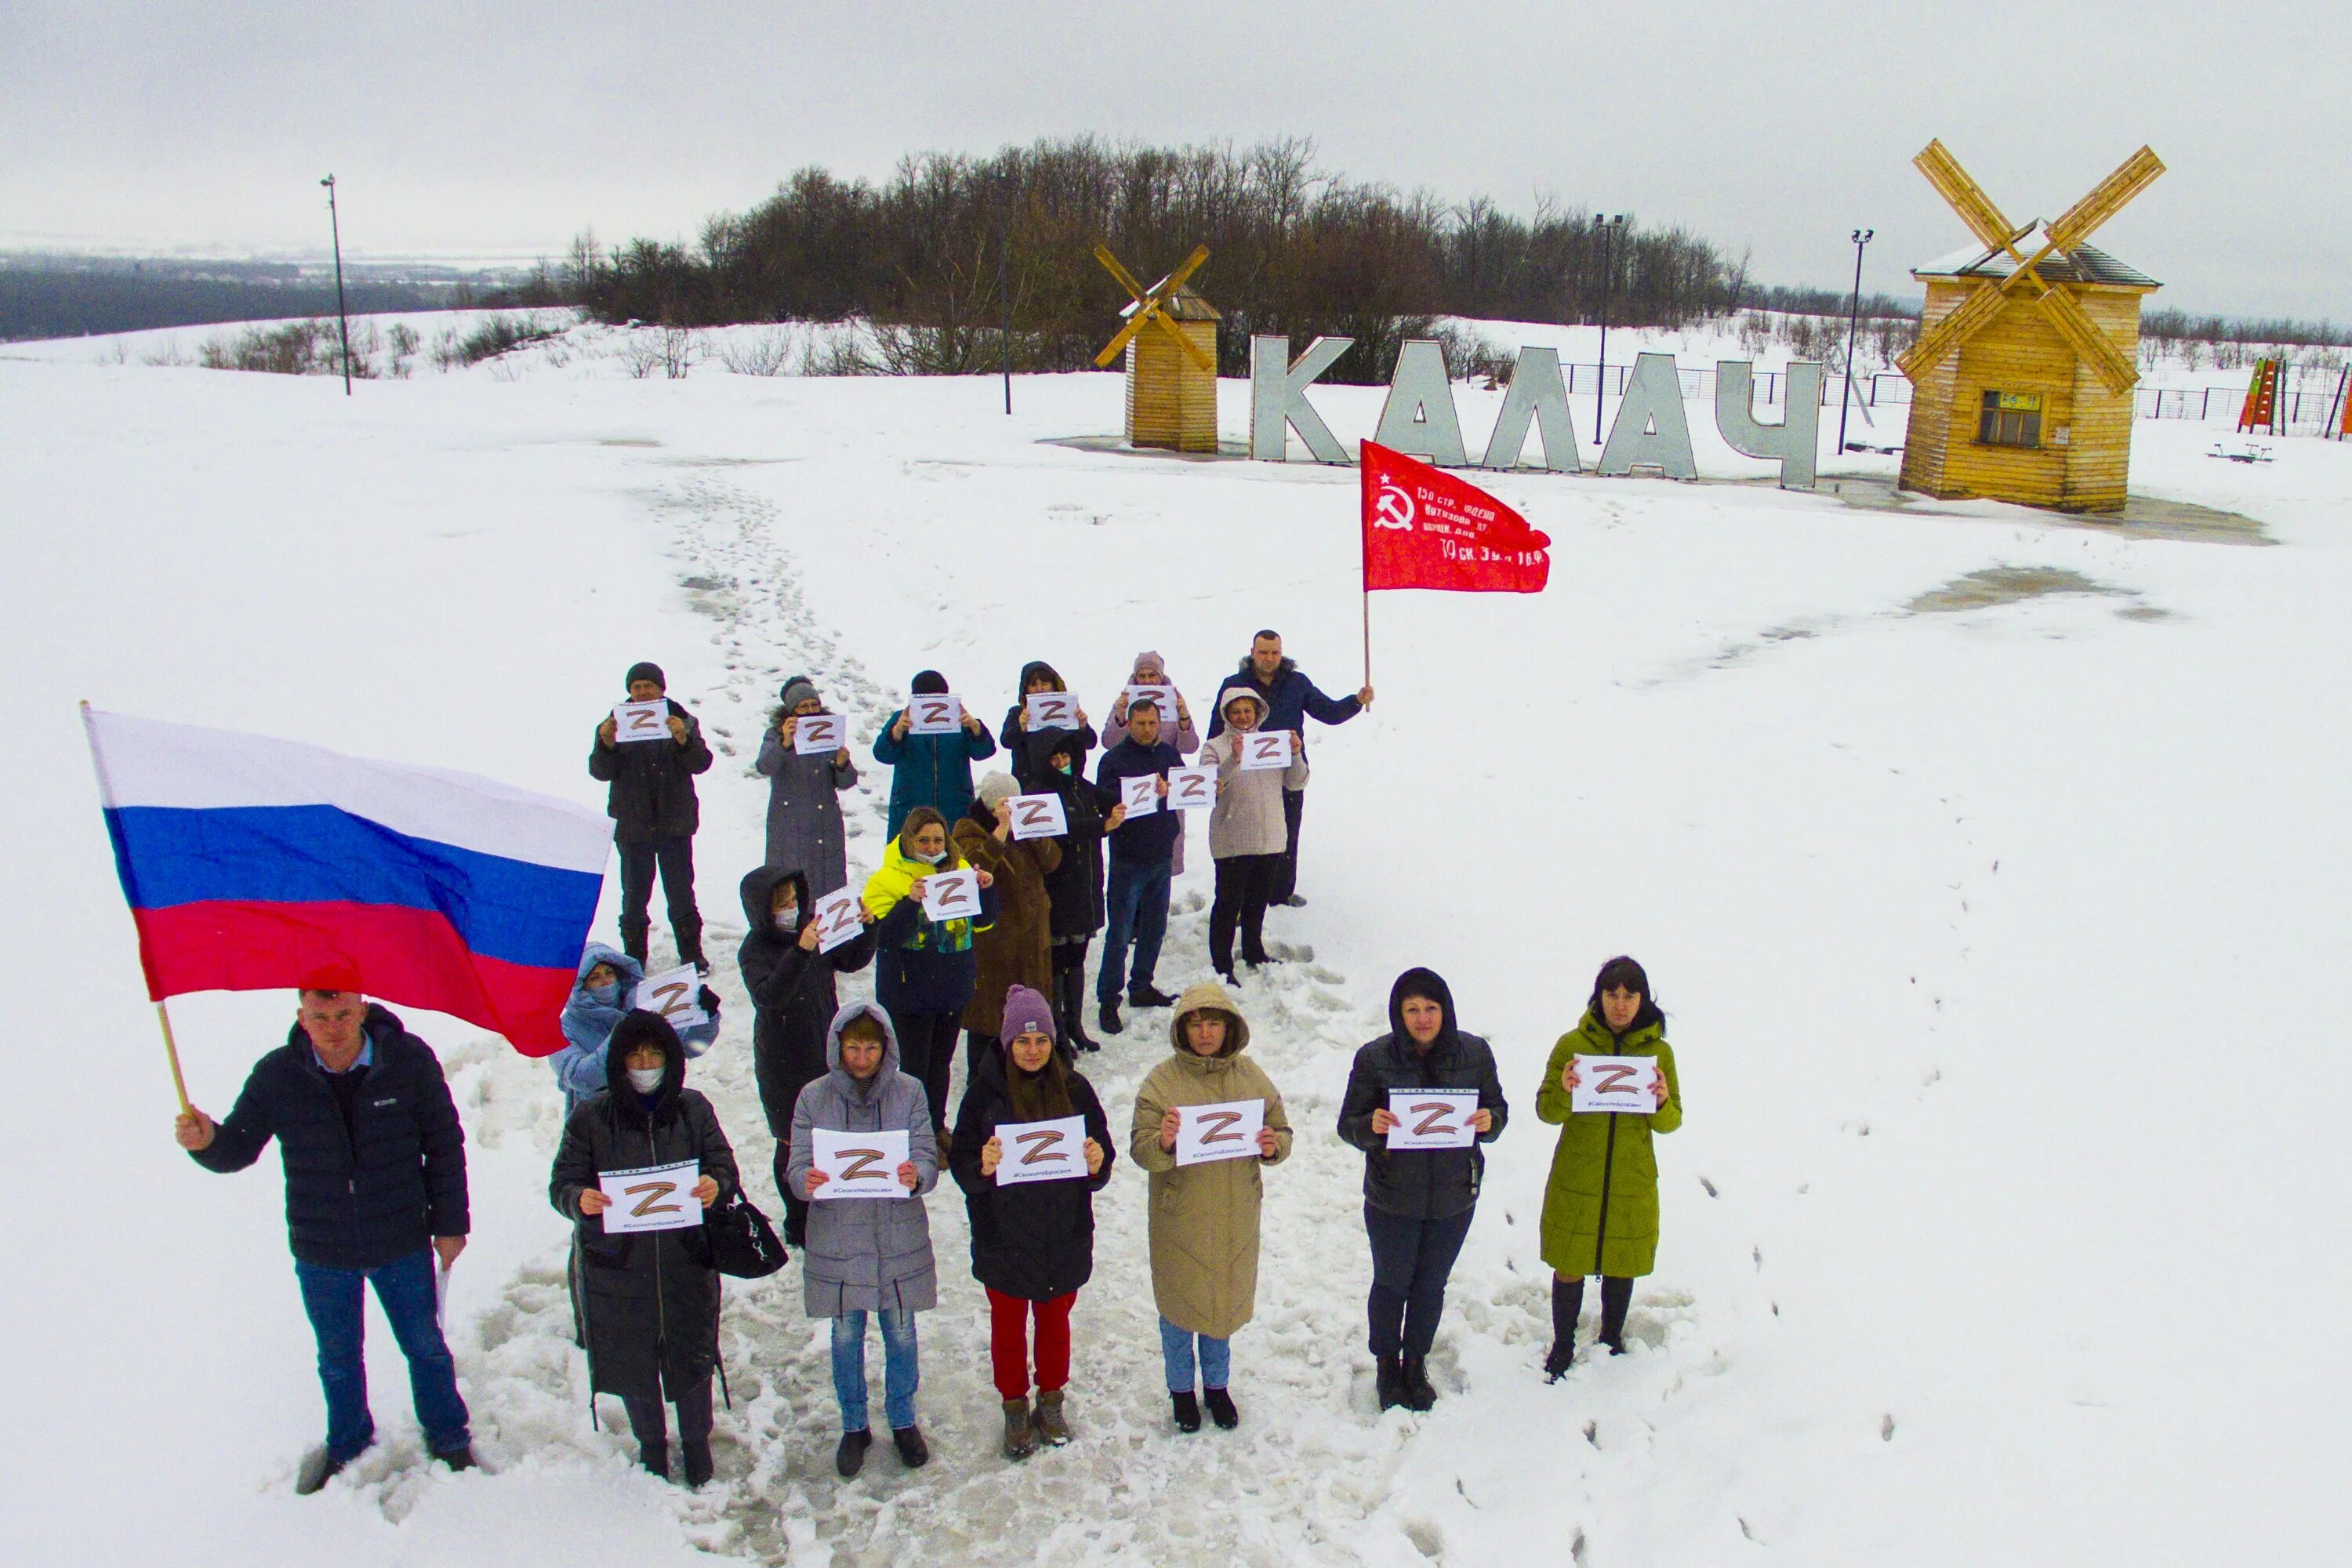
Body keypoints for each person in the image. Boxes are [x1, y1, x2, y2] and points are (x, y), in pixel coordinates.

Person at [174, 980, 475, 1493]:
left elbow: (444, 1143)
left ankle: (449, 1437)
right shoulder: (278, 1076)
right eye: (320, 1016)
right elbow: (239, 1147)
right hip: (322, 1249)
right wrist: (207, 1141)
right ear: (301, 1016)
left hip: (400, 1238)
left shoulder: (407, 1060)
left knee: (425, 1346)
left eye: (341, 1014)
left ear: (362, 1008)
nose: (332, 1029)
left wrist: (450, 1224)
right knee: (337, 1357)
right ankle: (349, 1443)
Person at [550, 1011, 739, 1487]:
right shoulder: (591, 1115)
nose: (645, 1063)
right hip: (617, 1265)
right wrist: (579, 1200)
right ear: (619, 1061)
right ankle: (651, 1443)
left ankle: (696, 1441)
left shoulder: (694, 1109)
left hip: (685, 1258)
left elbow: (722, 1163)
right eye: (635, 1054)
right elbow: (563, 1182)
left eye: (654, 1053)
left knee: (692, 1355)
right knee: (634, 1359)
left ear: (671, 1059)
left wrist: (715, 1184)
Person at [949, 985, 1116, 1460]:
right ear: (1006, 1043)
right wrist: (981, 1165)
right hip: (1003, 1235)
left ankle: (1052, 1397)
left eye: (1041, 1040)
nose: (1033, 1050)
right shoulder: (983, 1095)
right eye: (1022, 1042)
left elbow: (1102, 1155)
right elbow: (962, 1161)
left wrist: (1096, 1160)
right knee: (1007, 1327)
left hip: (1063, 1232)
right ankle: (1014, 1405)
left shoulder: (1076, 1089)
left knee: (1055, 1324)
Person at [1336, 968, 1508, 1413]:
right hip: (1393, 1196)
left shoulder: (1474, 1052)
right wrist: (1369, 1127)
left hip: (1454, 1195)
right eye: (1412, 1009)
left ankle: (1416, 1363)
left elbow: (1497, 1111)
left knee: (1431, 1286)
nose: (1423, 1018)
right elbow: (1348, 1125)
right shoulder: (1375, 1058)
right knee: (1392, 1284)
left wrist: (1490, 1121)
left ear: (1445, 1010)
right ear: (1398, 1013)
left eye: (1431, 1008)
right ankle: (1386, 1366)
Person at [1128, 982, 1292, 1432]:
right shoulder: (1162, 1082)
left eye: (1213, 1023)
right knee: (1180, 1307)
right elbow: (1141, 1148)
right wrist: (1162, 1140)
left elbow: (1281, 1128)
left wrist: (1272, 1145)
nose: (1205, 1033)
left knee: (1222, 1303)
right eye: (1196, 1024)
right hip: (1179, 1216)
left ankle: (1217, 1388)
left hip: (1236, 1211)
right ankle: (1181, 1391)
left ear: (1228, 1027)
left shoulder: (1251, 1077)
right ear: (1182, 1029)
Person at [787, 1003, 942, 1477]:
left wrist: (917, 1174)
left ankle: (901, 1418)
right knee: (846, 1334)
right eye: (852, 1047)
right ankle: (854, 1424)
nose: (861, 1057)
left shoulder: (910, 1092)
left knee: (900, 1332)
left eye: (871, 1047)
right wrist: (804, 1181)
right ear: (838, 1047)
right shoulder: (813, 1098)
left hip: (897, 1234)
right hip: (838, 1236)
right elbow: (795, 1165)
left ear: (885, 1047)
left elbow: (928, 1157)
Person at [1537, 956, 1682, 1377]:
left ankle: (1612, 1338)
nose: (1620, 1005)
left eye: (1629, 996)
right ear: (1599, 997)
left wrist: (1661, 1100)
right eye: (1612, 995)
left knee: (1622, 1259)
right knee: (1569, 1262)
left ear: (1643, 999)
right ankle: (1563, 1343)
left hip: (1630, 1179)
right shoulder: (1571, 1046)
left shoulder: (1659, 1052)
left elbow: (1671, 1122)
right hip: (1577, 1176)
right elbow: (1546, 1110)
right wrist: (1563, 1090)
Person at [739, 864, 878, 1247]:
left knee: (832, 1132)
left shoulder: (815, 929)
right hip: (782, 1063)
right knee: (791, 1142)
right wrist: (800, 951)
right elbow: (770, 996)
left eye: (793, 900)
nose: (790, 908)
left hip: (825, 1051)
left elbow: (850, 960)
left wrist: (868, 927)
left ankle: (834, 1204)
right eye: (780, 903)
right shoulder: (753, 950)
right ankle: (798, 1220)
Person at [1205, 630, 1374, 909]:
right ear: (1252, 652)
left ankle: (1280, 893)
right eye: (1263, 652)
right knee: (1240, 837)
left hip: (1287, 773)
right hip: (1242, 775)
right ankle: (1238, 900)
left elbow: (1328, 712)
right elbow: (1216, 729)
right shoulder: (1234, 684)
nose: (1269, 658)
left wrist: (1356, 701)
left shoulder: (1297, 682)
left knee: (1285, 833)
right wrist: (1217, 767)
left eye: (1275, 652)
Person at [863, 805, 999, 1143]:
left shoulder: (960, 868)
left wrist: (985, 888)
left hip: (952, 988)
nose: (932, 847)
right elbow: (881, 937)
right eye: (923, 840)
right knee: (912, 1070)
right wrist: (910, 902)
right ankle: (911, 1133)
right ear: (908, 840)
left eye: (938, 840)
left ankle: (936, 1128)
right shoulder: (886, 878)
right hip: (909, 991)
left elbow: (984, 923)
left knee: (940, 1065)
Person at [590, 661, 717, 970]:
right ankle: (635, 959)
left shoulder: (683, 720)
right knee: (634, 895)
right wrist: (606, 745)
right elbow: (599, 771)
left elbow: (702, 763)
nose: (643, 692)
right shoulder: (614, 723)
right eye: (636, 687)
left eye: (649, 686)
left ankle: (692, 954)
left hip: (675, 823)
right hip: (633, 826)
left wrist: (683, 740)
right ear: (629, 691)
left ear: (662, 688)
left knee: (681, 891)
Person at [1017, 724, 1125, 1052]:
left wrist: (1152, 790)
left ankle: (1074, 1022)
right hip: (1057, 890)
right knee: (1056, 962)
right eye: (1055, 756)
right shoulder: (1037, 792)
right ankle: (1057, 1032)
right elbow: (1060, 829)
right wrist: (1100, 825)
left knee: (1077, 958)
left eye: (1066, 754)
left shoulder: (1080, 786)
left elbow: (1113, 799)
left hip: (1084, 886)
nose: (1062, 761)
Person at [1196, 688, 1308, 981]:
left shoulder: (1273, 743)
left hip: (1269, 837)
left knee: (1257, 901)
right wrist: (1233, 758)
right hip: (1232, 840)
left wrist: (1295, 754)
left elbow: (1297, 782)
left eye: (1248, 711)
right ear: (1226, 715)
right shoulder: (1214, 747)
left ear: (1258, 712)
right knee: (1228, 904)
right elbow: (1206, 786)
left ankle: (1253, 950)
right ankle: (1222, 964)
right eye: (1236, 712)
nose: (1243, 717)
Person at [953, 771, 1061, 1073]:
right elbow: (976, 867)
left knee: (1031, 1013)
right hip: (995, 941)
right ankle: (982, 1078)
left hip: (1032, 936)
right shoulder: (968, 829)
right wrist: (1000, 831)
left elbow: (1053, 862)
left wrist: (1038, 834)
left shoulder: (1026, 825)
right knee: (989, 1016)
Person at [1092, 695, 1183, 1035]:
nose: (1147, 730)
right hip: (1128, 857)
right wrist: (1130, 794)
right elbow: (1102, 798)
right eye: (1141, 724)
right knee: (1119, 932)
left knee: (1155, 927)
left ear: (1160, 724)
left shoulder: (1169, 754)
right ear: (1129, 724)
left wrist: (1171, 788)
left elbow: (1186, 790)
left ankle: (1142, 985)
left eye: (1152, 724)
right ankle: (1108, 998)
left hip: (1161, 852)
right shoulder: (1113, 759)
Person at [552, 942, 720, 1116]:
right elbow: (579, 1077)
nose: (606, 982)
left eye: (609, 973)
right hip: (598, 1119)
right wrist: (619, 1037)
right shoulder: (564, 1027)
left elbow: (689, 1047)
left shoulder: (643, 1004)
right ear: (579, 986)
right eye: (595, 978)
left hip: (652, 1112)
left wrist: (706, 1016)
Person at [756, 676, 858, 898]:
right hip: (789, 824)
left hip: (825, 822)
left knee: (828, 885)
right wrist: (785, 742)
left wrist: (842, 765)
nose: (811, 710)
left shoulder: (828, 732)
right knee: (792, 885)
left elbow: (847, 782)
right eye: (803, 707)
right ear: (791, 710)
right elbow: (765, 766)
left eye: (814, 704)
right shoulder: (775, 734)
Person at [1102, 649, 1200, 880]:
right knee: (1135, 852)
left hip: (1165, 781)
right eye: (1142, 676)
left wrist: (1184, 716)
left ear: (1161, 677)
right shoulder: (1125, 701)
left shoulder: (1173, 700)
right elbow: (1109, 741)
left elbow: (1190, 746)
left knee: (1164, 852)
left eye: (1152, 675)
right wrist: (1120, 715)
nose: (1147, 680)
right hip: (1134, 781)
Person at [873, 669, 997, 838]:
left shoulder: (959, 719)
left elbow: (984, 752)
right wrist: (896, 732)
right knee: (910, 859)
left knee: (955, 859)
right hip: (910, 805)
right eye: (924, 698)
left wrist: (976, 729)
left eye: (938, 697)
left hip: (955, 806)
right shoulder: (901, 719)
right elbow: (882, 754)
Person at [996, 659, 1099, 760]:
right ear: (1026, 688)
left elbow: (1091, 743)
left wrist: (1082, 727)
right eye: (1034, 685)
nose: (1040, 689)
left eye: (1045, 683)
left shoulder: (1068, 708)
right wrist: (1022, 729)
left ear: (1054, 685)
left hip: (1066, 774)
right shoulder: (1017, 713)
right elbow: (1006, 741)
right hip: (1029, 775)